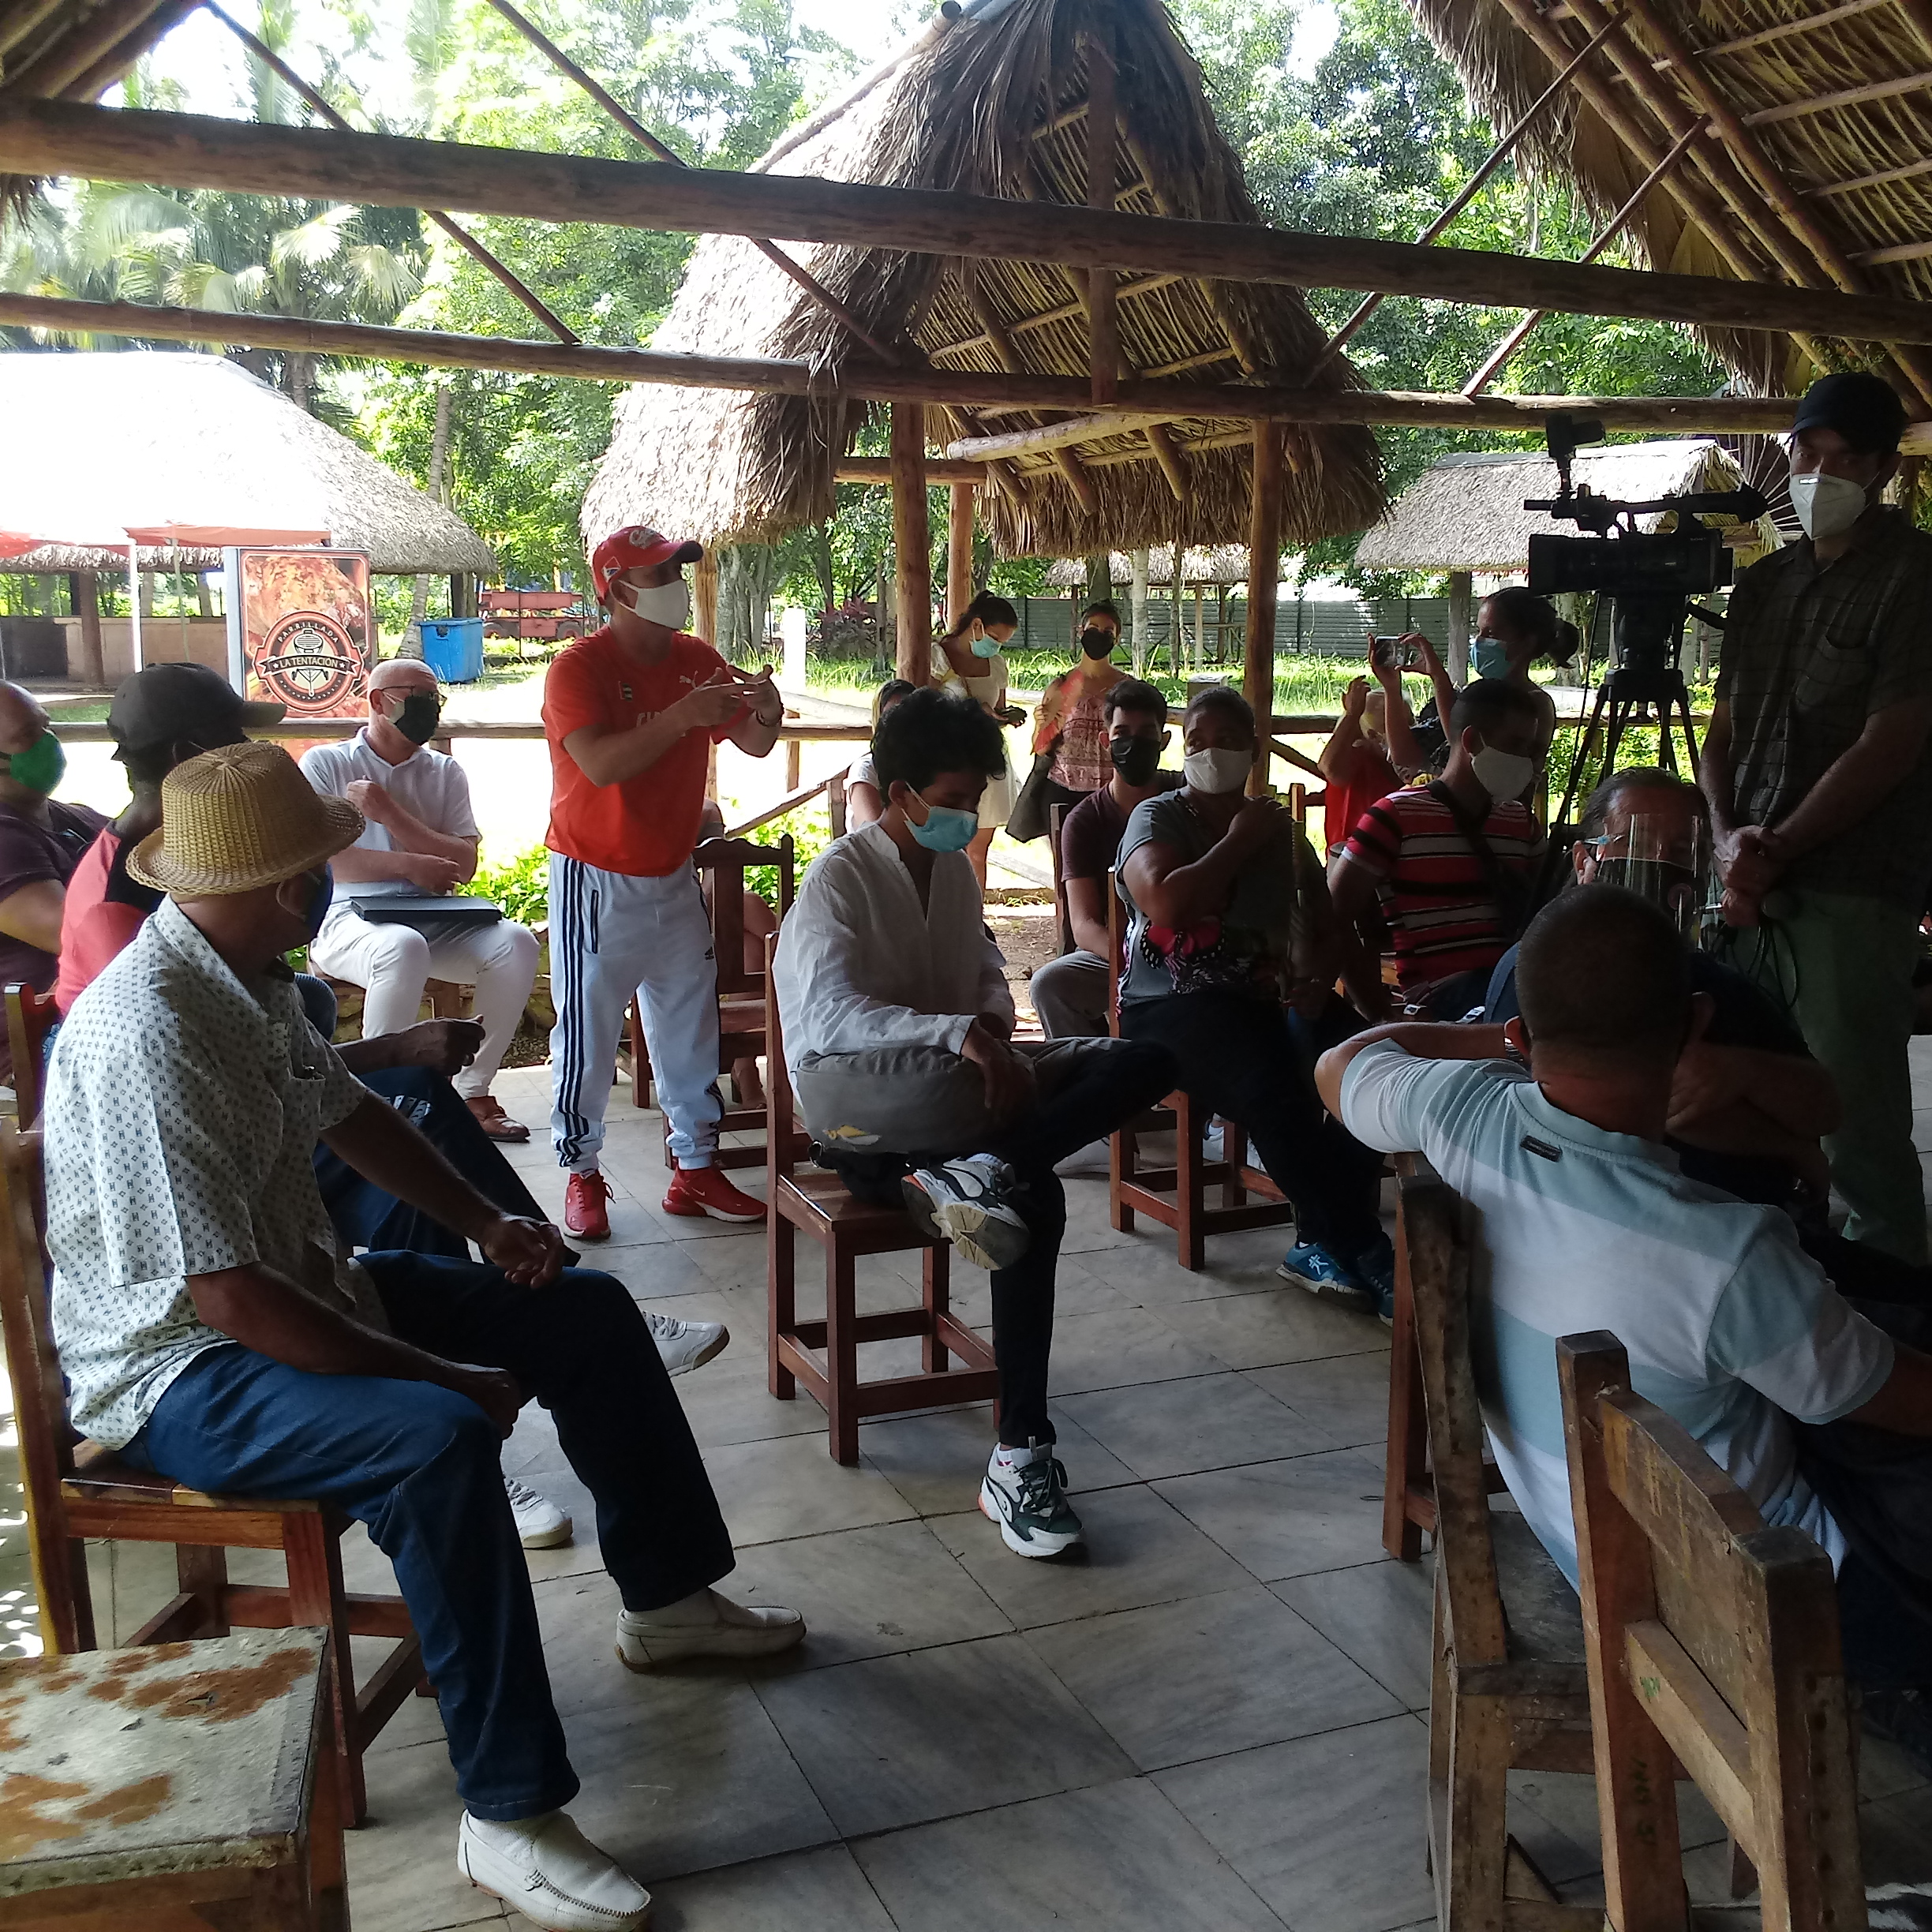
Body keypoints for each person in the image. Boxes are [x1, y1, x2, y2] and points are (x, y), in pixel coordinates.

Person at [46, 743, 804, 1932]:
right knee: (436, 1438)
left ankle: (665, 1603)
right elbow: (231, 1303)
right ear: (288, 887)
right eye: (313, 871)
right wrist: (439, 1372)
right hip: (177, 1369)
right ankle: (507, 1815)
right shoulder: (151, 1026)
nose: (325, 888)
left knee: (586, 1311)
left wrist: (488, 1221)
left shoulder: (244, 975)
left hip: (302, 1288)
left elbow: (351, 1113)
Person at [57, 662, 727, 1552]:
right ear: (189, 758)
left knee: (411, 1114)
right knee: (405, 1131)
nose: (255, 754)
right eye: (240, 738)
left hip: (263, 1195)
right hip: (187, 1279)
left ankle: (519, 1275)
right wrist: (437, 1375)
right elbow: (208, 1215)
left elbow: (309, 1079)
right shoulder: (138, 937)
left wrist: (484, 1217)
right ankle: (447, 1409)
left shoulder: (233, 917)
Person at [1322, 885, 1932, 1754]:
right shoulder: (1726, 1255)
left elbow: (1342, 1062)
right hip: (1772, 1599)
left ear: (1524, 1035)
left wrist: (1501, 1049)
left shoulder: (1458, 1115)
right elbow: (1906, 1400)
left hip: (1589, 1548)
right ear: (1693, 1026)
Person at [772, 688, 1173, 1558]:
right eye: (950, 803)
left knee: (1146, 1058)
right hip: (863, 1120)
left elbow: (983, 968)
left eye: (971, 803)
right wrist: (962, 1035)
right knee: (1036, 1201)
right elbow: (832, 1017)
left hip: (954, 1106)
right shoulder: (839, 875)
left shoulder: (951, 871)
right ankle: (1021, 1451)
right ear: (902, 791)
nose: (964, 820)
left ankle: (981, 1168)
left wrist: (990, 1023)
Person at [1699, 370, 1932, 1267]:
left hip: (1850, 885)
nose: (1820, 471)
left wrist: (1781, 847)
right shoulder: (1763, 587)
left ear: (1879, 469)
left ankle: (1894, 1317)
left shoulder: (1915, 577)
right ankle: (1777, 1283)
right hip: (1744, 878)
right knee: (1737, 1091)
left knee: (1854, 1119)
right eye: (1809, 452)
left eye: (1844, 459)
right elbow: (1721, 732)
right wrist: (1726, 837)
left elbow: (1895, 739)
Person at [1114, 685, 1393, 1310]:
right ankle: (1363, 1245)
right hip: (1173, 1007)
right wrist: (1239, 838)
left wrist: (1318, 980)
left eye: (1227, 743)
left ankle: (1321, 1238)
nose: (1210, 754)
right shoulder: (1158, 818)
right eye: (1197, 744)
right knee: (1279, 1091)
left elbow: (1327, 928)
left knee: (1376, 1068)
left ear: (1254, 751)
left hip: (1271, 1001)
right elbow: (1168, 902)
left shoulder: (1285, 835)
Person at [545, 526, 780, 1239]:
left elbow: (756, 740)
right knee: (587, 1033)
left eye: (677, 569)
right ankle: (582, 1173)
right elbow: (602, 766)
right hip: (595, 877)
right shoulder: (577, 669)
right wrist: (682, 718)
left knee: (687, 1023)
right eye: (658, 575)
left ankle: (696, 1168)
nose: (676, 584)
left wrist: (764, 710)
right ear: (615, 591)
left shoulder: (696, 658)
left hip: (672, 874)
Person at [301, 657, 541, 1143]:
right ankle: (377, 1099)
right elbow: (327, 862)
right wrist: (411, 864)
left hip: (433, 913)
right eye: (416, 696)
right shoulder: (327, 764)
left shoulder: (444, 771)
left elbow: (464, 862)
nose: (428, 708)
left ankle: (471, 1091)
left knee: (516, 944)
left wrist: (390, 814)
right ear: (377, 701)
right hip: (347, 916)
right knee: (401, 947)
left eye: (435, 697)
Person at [1330, 678, 1545, 1019]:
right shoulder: (1395, 816)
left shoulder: (1519, 822)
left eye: (1533, 751)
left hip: (1514, 986)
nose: (1529, 762)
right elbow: (1332, 917)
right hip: (1445, 998)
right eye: (1517, 746)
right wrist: (1380, 1015)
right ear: (1472, 741)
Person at [1030, 677, 1179, 1041]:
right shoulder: (1084, 822)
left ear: (1164, 740)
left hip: (1192, 952)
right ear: (1105, 741)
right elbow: (1084, 927)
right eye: (1123, 732)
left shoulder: (1186, 798)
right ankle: (1089, 1073)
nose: (1134, 742)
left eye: (1146, 732)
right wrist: (1137, 958)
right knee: (1050, 985)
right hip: (1119, 955)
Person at [0, 680, 106, 1086]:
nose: (47, 743)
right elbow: (80, 938)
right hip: (36, 1050)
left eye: (46, 727)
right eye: (28, 736)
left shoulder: (72, 819)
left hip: (96, 1016)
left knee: (301, 997)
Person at [930, 591, 1026, 889]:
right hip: (948, 760)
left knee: (977, 851)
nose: (996, 647)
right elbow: (923, 706)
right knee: (947, 850)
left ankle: (973, 919)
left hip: (989, 760)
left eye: (1002, 643)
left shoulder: (996, 664)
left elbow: (997, 706)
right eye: (995, 638)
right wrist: (970, 710)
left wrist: (1003, 716)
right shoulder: (936, 655)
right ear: (976, 626)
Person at [1027, 601, 1124, 824]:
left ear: (1117, 639)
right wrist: (1042, 725)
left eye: (1107, 631)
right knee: (1064, 860)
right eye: (1093, 629)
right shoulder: (1060, 686)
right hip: (1062, 791)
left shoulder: (1127, 688)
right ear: (1080, 632)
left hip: (1112, 793)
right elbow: (1041, 749)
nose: (1099, 635)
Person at [842, 677, 915, 832]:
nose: (902, 724)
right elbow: (874, 833)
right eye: (892, 716)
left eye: (910, 715)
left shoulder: (926, 767)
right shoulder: (867, 769)